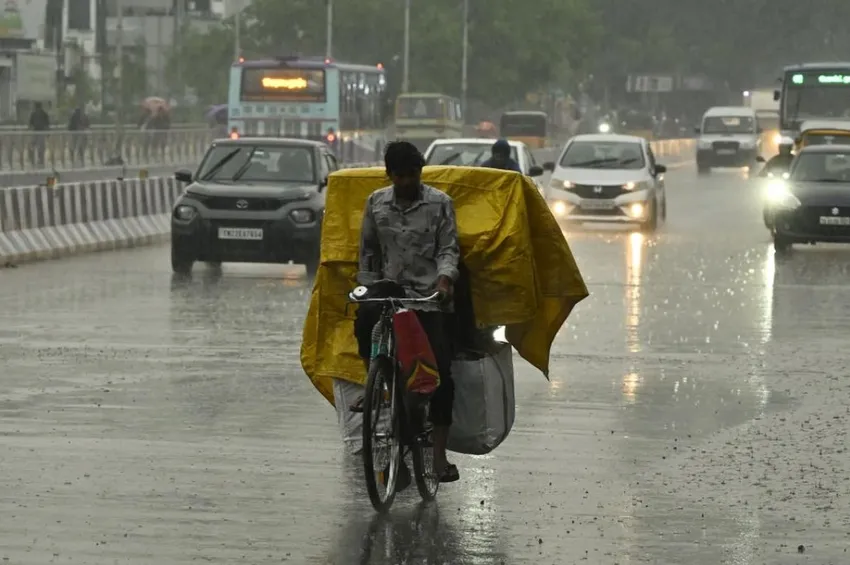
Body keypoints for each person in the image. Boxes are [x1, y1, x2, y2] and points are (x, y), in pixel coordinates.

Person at [352, 140, 461, 485]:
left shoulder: (440, 204)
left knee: (439, 373)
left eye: (411, 175)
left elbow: (448, 249)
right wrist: (365, 287)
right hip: (389, 292)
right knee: (362, 325)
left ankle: (440, 458)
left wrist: (444, 282)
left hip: (428, 297)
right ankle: (373, 381)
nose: (405, 182)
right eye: (398, 176)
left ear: (420, 173)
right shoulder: (376, 203)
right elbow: (368, 252)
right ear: (389, 175)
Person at [28, 102, 50, 167]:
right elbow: (47, 124)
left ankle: (32, 160)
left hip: (35, 132)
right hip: (41, 132)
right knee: (41, 147)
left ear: (35, 107)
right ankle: (41, 161)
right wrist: (48, 133)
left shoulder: (33, 113)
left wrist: (28, 131)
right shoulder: (44, 113)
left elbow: (30, 124)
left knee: (32, 146)